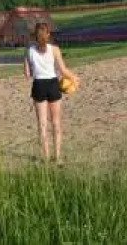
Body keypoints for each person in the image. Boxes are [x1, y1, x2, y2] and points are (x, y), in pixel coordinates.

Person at [23, 22, 78, 164]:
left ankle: (46, 158)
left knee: (42, 124)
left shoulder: (29, 50)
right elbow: (63, 71)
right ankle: (58, 158)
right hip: (53, 85)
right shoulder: (55, 49)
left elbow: (27, 74)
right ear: (48, 35)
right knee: (56, 123)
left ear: (35, 35)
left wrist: (33, 66)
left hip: (38, 85)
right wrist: (75, 78)